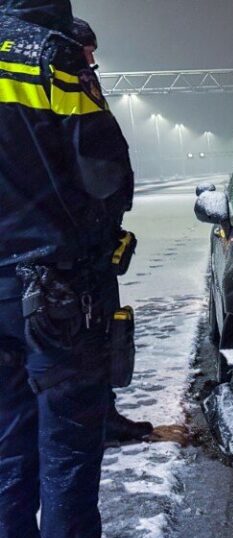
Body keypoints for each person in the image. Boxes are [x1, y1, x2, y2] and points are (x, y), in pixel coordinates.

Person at [0, 1, 131, 538]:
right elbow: (105, 177)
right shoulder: (50, 55)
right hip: (56, 290)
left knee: (6, 442)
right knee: (69, 447)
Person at [69, 16, 154, 445]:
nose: (93, 56)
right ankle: (94, 422)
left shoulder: (82, 82)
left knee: (105, 329)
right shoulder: (66, 86)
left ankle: (103, 415)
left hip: (98, 233)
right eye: (87, 47)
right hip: (81, 240)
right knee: (90, 334)